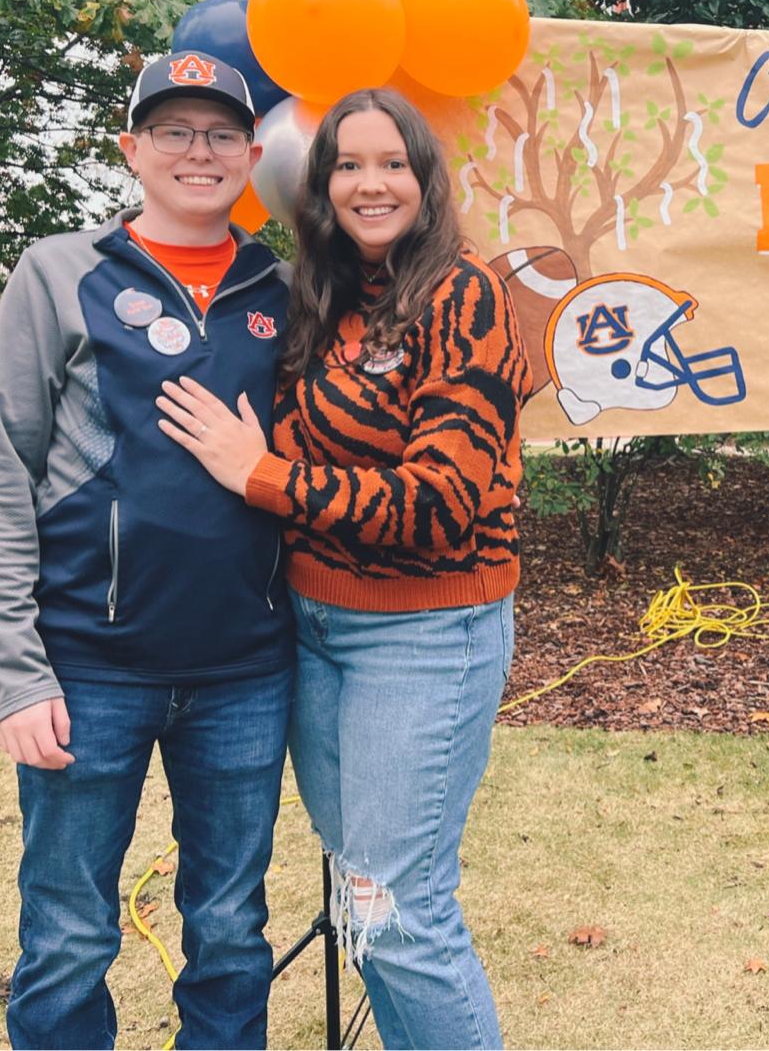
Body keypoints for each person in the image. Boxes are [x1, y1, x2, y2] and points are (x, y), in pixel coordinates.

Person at [159, 87, 533, 1051]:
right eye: (348, 166)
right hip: (315, 633)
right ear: (321, 188)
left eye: (392, 163)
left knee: (400, 912)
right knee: (361, 897)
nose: (371, 184)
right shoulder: (321, 300)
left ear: (425, 178)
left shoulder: (465, 295)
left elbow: (440, 504)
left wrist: (264, 477)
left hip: (425, 636)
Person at [0, 52, 293, 1050]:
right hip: (86, 672)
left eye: (221, 134)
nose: (199, 152)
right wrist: (17, 677)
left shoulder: (288, 286)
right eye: (173, 132)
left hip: (246, 674)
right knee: (67, 933)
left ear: (254, 154)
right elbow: (1, 475)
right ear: (131, 150)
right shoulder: (59, 273)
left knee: (231, 931)